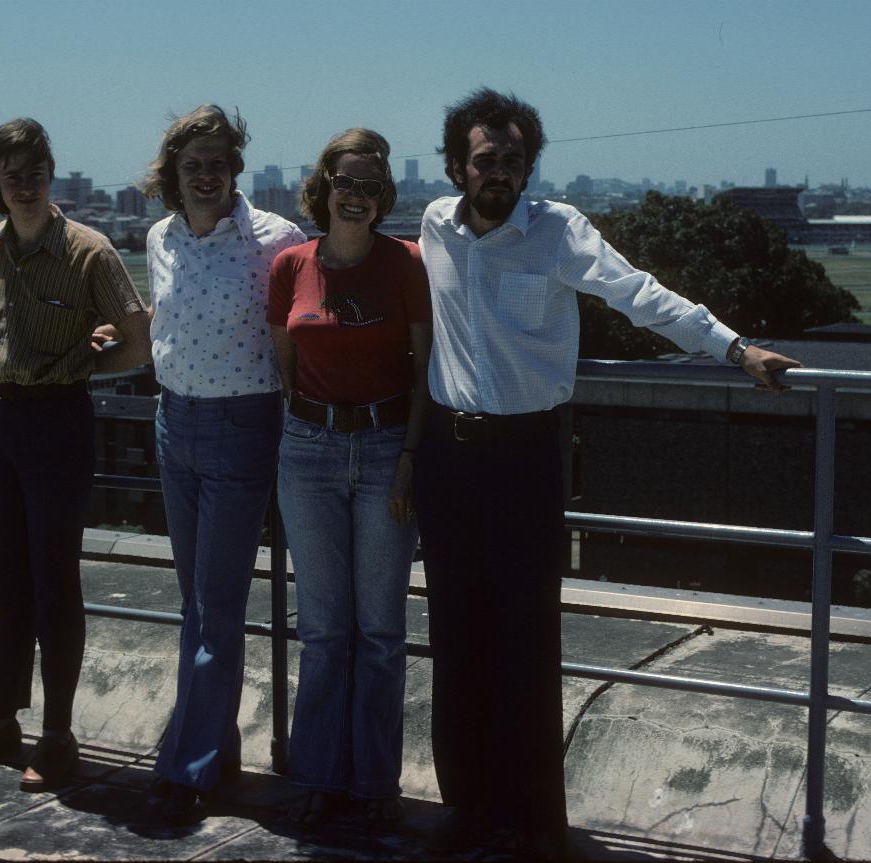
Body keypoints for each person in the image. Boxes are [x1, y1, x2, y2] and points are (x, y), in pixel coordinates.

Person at [414, 88, 802, 859]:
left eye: (513, 160)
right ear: (457, 164)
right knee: (455, 635)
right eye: (486, 159)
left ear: (530, 167)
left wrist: (735, 348)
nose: (500, 173)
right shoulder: (434, 226)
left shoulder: (558, 231)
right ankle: (466, 807)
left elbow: (640, 294)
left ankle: (531, 821)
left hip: (527, 454)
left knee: (527, 637)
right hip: (448, 457)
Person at [0, 118, 150, 791]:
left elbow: (137, 340)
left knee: (56, 586)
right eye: (11, 174)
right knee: (6, 588)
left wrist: (85, 360)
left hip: (57, 421)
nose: (25, 185)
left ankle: (57, 737)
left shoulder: (87, 251)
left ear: (52, 174)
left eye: (35, 172)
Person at [139, 105, 306, 823]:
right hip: (173, 421)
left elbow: (300, 334)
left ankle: (188, 766)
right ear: (172, 177)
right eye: (192, 165)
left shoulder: (276, 240)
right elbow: (164, 324)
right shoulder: (159, 238)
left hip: (245, 425)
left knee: (216, 605)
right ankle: (215, 746)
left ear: (236, 167)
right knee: (196, 601)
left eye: (217, 162)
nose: (206, 176)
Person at [267, 129, 431, 826]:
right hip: (307, 451)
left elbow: (426, 373)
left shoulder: (408, 264)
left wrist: (408, 461)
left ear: (383, 193)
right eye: (345, 182)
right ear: (323, 188)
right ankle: (320, 777)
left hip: (387, 446)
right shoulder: (290, 266)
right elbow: (284, 364)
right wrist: (303, 434)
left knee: (382, 630)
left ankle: (375, 787)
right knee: (326, 628)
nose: (356, 196)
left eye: (369, 184)